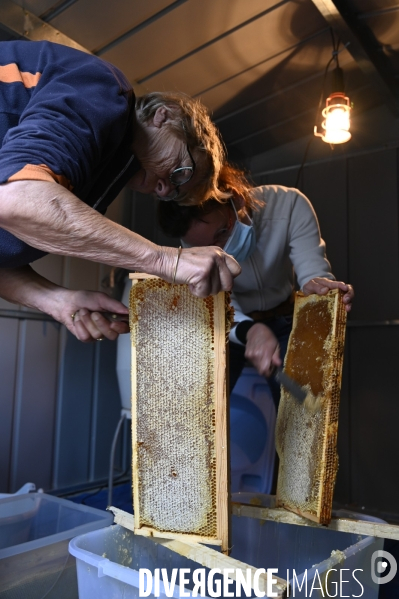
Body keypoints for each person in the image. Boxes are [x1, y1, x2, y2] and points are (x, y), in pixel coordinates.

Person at [0, 40, 239, 342]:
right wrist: (165, 260)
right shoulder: (103, 88)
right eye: (182, 170)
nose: (165, 188)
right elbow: (15, 199)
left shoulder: (95, 183)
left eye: (175, 192)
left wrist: (57, 300)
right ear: (164, 116)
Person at [158, 164, 354, 404]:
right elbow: (216, 301)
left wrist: (320, 291)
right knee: (203, 407)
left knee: (299, 412)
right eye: (209, 247)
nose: (222, 249)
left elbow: (312, 272)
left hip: (284, 318)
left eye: (222, 231)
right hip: (229, 324)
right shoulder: (190, 245)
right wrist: (249, 330)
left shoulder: (289, 205)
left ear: (236, 198)